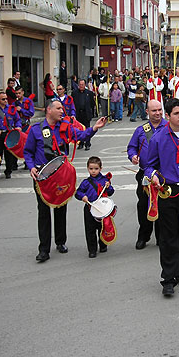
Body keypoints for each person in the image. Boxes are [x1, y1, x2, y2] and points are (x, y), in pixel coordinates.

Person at [24, 100, 107, 262]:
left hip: (60, 175)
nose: (63, 111)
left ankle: (60, 241)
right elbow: (28, 151)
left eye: (63, 108)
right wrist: (31, 167)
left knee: (61, 208)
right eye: (59, 108)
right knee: (44, 212)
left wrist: (94, 128)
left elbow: (80, 135)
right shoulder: (36, 130)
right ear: (49, 110)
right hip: (42, 177)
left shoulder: (65, 127)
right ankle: (44, 249)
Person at [143, 98, 179, 296]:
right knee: (168, 237)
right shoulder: (158, 138)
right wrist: (154, 176)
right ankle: (168, 278)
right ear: (168, 116)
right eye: (176, 113)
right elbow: (148, 165)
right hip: (168, 192)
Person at [127, 99, 166, 250]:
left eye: (159, 110)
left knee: (162, 207)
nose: (157, 113)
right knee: (143, 205)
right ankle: (143, 235)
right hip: (144, 175)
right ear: (147, 112)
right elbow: (131, 147)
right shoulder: (141, 130)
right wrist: (133, 156)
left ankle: (161, 237)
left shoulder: (168, 128)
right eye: (154, 111)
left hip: (163, 175)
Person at [75, 156, 115, 258]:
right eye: (91, 169)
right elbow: (78, 192)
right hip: (89, 208)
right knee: (90, 230)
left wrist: (108, 186)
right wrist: (82, 196)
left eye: (96, 169)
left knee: (103, 227)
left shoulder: (105, 180)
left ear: (100, 168)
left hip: (102, 209)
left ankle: (103, 244)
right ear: (88, 168)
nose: (93, 171)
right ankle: (92, 249)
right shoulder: (86, 182)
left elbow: (111, 192)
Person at [0, 92, 21, 180]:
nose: (5, 100)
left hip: (8, 133)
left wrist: (18, 126)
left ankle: (8, 171)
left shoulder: (11, 109)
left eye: (6, 99)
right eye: (3, 99)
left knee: (9, 154)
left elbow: (17, 119)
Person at [72, 79, 95, 150]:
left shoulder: (89, 93)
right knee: (79, 129)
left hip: (86, 114)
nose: (81, 86)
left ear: (85, 85)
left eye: (82, 84)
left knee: (87, 129)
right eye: (80, 85)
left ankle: (87, 144)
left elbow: (92, 104)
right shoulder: (74, 93)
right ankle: (81, 143)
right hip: (78, 114)